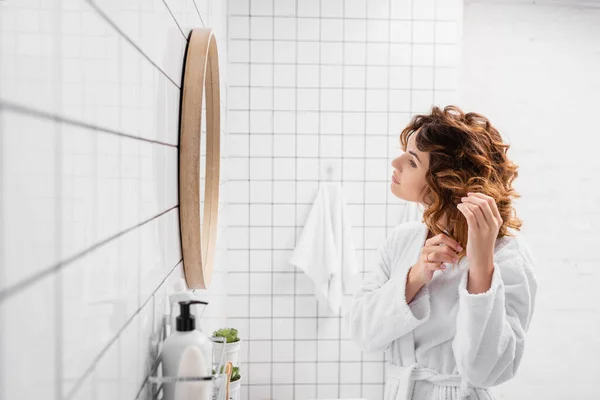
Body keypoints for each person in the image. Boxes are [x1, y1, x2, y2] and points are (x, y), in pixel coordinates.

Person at [343, 105, 538, 400]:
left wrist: (481, 266)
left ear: (445, 182)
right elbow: (362, 333)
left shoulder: (508, 256)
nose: (395, 163)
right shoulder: (403, 240)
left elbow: (485, 371)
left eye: (411, 161)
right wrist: (415, 277)